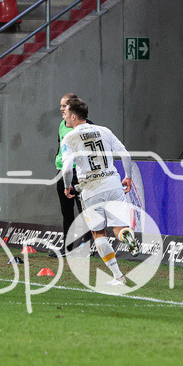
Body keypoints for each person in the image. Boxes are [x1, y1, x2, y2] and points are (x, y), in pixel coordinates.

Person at [60, 97, 139, 286]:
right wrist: (128, 176)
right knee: (120, 227)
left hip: (90, 188)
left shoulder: (69, 137)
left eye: (65, 113)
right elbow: (125, 154)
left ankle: (119, 276)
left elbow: (67, 168)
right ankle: (126, 236)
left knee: (98, 234)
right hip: (113, 183)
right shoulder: (105, 131)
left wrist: (67, 185)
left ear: (73, 116)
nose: (64, 116)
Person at [54, 92, 89, 254]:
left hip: (79, 172)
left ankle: (89, 245)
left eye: (64, 106)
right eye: (61, 105)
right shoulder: (62, 124)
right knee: (66, 211)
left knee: (83, 209)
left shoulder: (87, 125)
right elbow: (60, 145)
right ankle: (66, 247)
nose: (61, 109)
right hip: (62, 171)